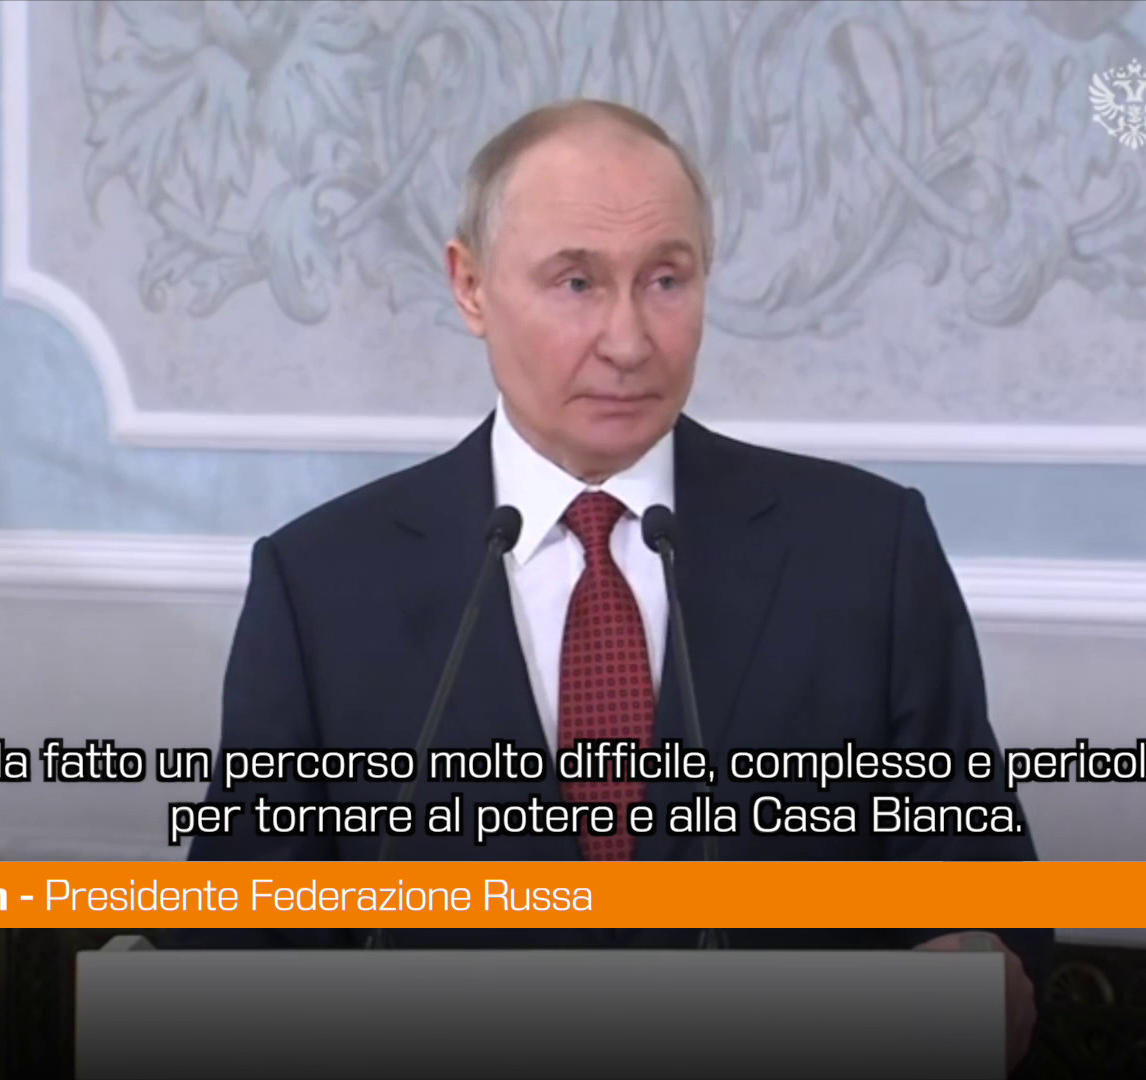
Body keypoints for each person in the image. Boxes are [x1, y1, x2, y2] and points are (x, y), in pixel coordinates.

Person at [174, 99, 1049, 1067]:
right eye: (577, 282)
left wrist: (974, 976)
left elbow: (989, 908)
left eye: (665, 280)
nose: (629, 341)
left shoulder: (866, 550)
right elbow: (240, 949)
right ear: (470, 286)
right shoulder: (318, 585)